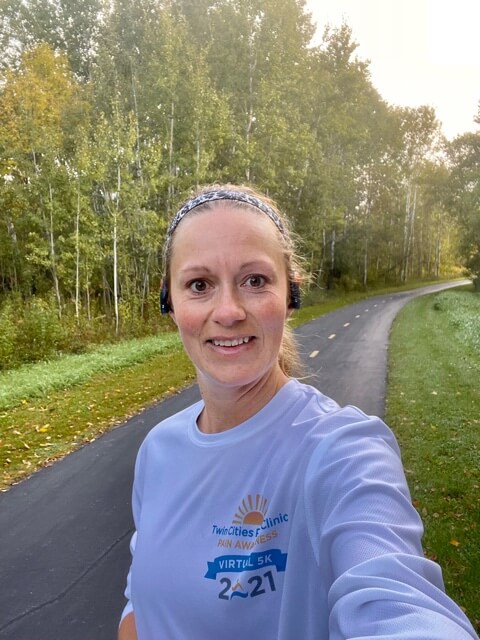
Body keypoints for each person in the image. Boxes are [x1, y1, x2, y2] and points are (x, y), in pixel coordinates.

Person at [119, 185, 478, 640]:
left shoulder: (342, 450)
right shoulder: (157, 451)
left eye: (255, 280)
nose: (227, 311)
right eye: (199, 285)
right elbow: (139, 603)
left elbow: (397, 600)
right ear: (169, 303)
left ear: (291, 293)